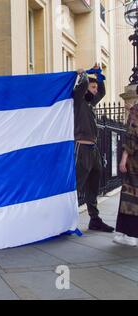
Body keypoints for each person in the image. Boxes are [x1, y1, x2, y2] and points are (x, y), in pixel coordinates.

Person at [74, 64, 114, 233]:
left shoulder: (90, 104)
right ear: (85, 89)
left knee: (93, 186)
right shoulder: (78, 101)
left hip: (94, 149)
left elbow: (103, 92)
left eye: (96, 87)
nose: (95, 91)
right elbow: (81, 86)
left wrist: (99, 77)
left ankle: (94, 219)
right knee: (77, 187)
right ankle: (65, 219)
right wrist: (83, 75)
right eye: (93, 87)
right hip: (81, 149)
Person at [113, 104, 138, 247]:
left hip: (134, 165)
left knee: (130, 198)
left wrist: (123, 160)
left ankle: (130, 235)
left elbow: (131, 139)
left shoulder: (136, 111)